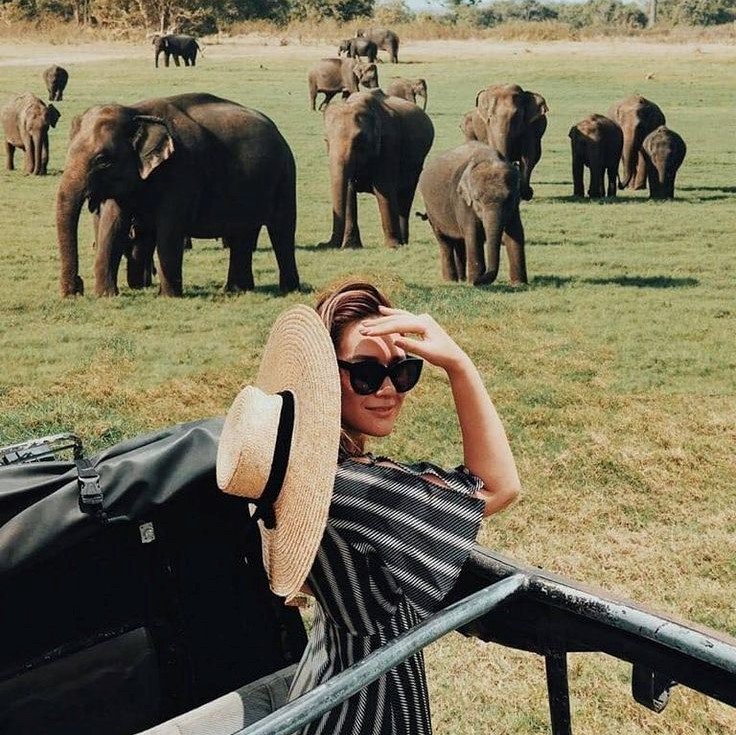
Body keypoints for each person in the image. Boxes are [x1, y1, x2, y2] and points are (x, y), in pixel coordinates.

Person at [216, 278, 519, 735]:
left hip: (322, 679)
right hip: (371, 701)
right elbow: (498, 486)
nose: (389, 389)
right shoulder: (355, 488)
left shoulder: (301, 465)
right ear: (326, 376)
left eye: (404, 371)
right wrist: (459, 366)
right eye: (366, 374)